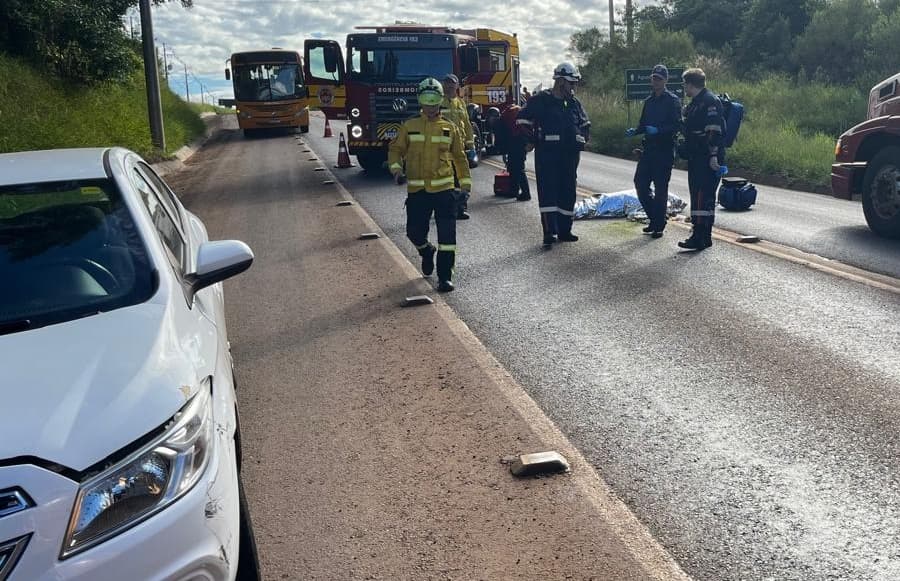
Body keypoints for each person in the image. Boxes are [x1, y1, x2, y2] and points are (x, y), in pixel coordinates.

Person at [389, 78, 472, 292]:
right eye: (427, 101)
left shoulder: (449, 128)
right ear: (420, 101)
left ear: (440, 102)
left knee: (447, 238)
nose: (431, 106)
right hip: (418, 191)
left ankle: (444, 277)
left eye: (435, 101)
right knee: (414, 232)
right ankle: (426, 251)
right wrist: (396, 169)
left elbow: (460, 158)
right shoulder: (410, 126)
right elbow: (396, 150)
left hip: (444, 191)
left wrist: (465, 185)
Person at [516, 62, 591, 247]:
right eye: (571, 83)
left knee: (568, 192)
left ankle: (565, 230)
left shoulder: (574, 103)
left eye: (575, 84)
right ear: (560, 81)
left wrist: (582, 139)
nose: (573, 87)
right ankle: (550, 232)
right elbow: (521, 120)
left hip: (569, 157)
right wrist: (533, 138)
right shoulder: (541, 100)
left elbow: (585, 125)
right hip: (548, 156)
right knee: (549, 192)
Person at [625, 64, 682, 239]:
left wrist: (659, 130)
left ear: (665, 80)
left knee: (660, 188)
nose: (655, 81)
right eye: (654, 78)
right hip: (649, 149)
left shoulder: (672, 101)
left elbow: (677, 125)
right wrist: (636, 130)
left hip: (664, 149)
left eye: (659, 78)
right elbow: (643, 124)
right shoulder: (649, 102)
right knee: (640, 184)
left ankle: (658, 225)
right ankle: (655, 218)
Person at [679, 68, 727, 250]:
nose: (684, 87)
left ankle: (701, 236)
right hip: (696, 156)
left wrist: (714, 156)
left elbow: (714, 131)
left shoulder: (710, 101)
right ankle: (701, 235)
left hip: (707, 158)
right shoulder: (695, 103)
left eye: (685, 84)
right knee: (698, 195)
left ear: (691, 84)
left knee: (703, 196)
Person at [441, 74, 476, 220]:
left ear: (456, 86)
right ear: (443, 85)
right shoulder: (437, 102)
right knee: (445, 181)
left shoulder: (460, 103)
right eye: (447, 84)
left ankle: (460, 208)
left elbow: (467, 125)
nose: (450, 86)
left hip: (459, 148)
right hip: (443, 149)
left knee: (461, 179)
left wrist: (471, 144)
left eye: (452, 84)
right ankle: (446, 209)